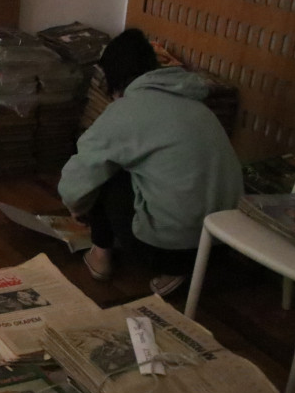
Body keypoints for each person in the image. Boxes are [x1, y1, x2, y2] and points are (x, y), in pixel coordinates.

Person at [58, 28, 243, 297]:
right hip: (223, 244)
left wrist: (78, 207)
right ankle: (184, 271)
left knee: (106, 175)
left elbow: (76, 181)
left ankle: (100, 256)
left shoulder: (127, 110)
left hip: (170, 249)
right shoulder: (198, 106)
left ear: (113, 78)